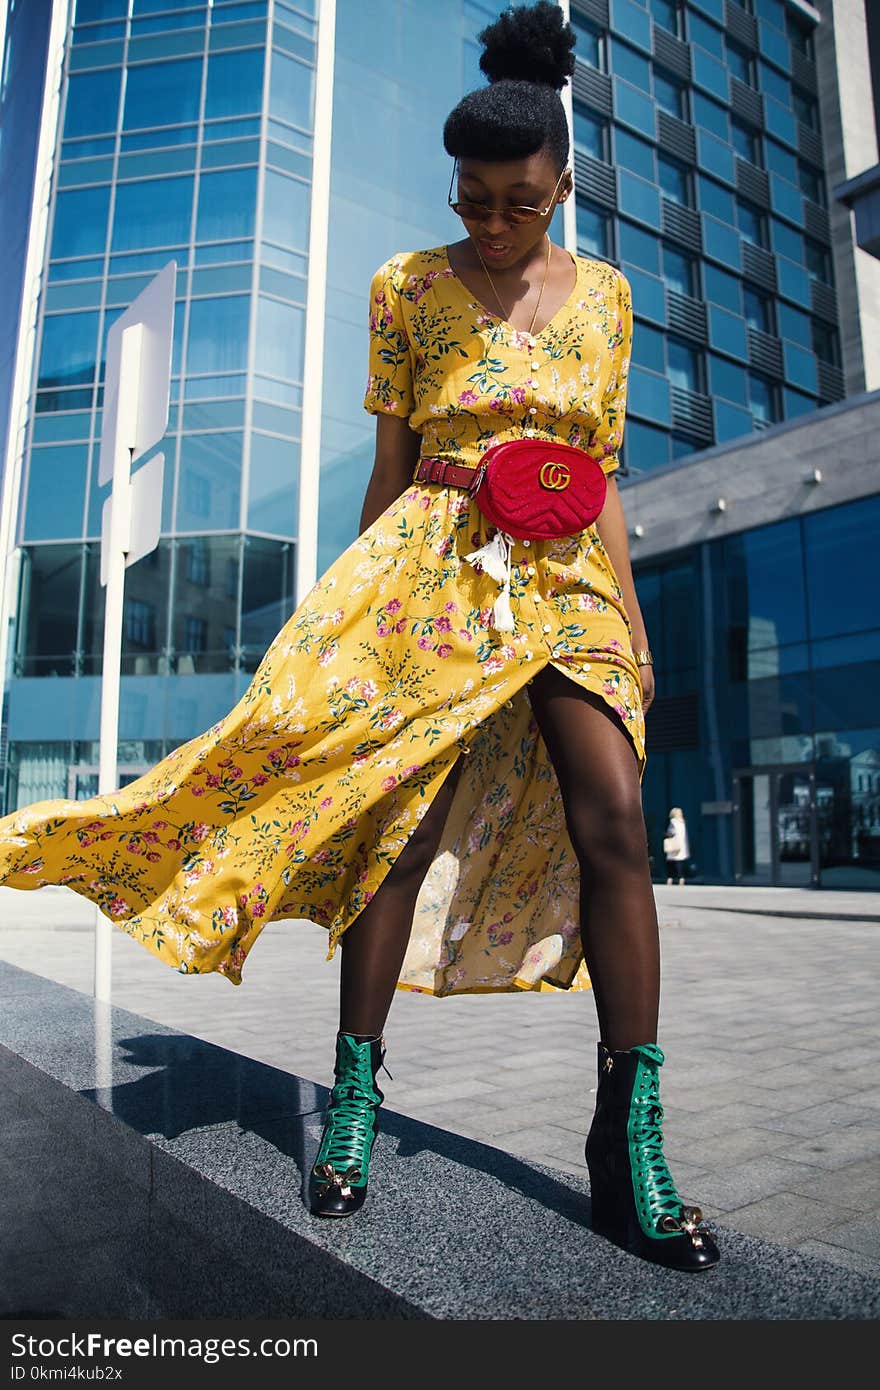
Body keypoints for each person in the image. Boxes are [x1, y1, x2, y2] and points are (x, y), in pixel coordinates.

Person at [0, 2, 718, 1271]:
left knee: (613, 814)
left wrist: (634, 613)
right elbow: (390, 469)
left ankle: (631, 1132)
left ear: (560, 181)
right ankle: (356, 1100)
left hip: (565, 576)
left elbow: (598, 470)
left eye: (519, 202)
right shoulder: (404, 286)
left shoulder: (605, 298)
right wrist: (342, 612)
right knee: (397, 828)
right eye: (472, 201)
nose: (492, 225)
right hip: (429, 568)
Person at [664, 807, 691, 885]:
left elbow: (671, 832)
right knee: (680, 863)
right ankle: (681, 879)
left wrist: (666, 835)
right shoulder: (682, 822)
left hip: (673, 844)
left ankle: (670, 879)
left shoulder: (673, 822)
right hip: (681, 845)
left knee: (671, 863)